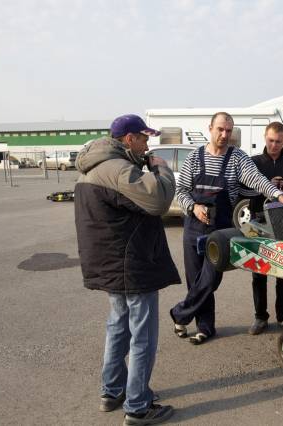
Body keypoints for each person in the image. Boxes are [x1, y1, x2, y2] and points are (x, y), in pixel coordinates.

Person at [74, 114, 181, 425]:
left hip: (112, 264)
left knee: (118, 327)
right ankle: (138, 406)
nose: (147, 145)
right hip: (131, 265)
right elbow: (159, 200)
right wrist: (161, 168)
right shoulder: (118, 169)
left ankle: (112, 391)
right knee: (142, 335)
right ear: (129, 138)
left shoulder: (94, 167)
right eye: (144, 138)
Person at [171, 112, 283, 345]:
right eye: (220, 129)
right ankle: (205, 327)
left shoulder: (237, 157)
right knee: (195, 280)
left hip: (220, 230)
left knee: (211, 279)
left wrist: (280, 196)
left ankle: (180, 314)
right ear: (210, 128)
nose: (224, 134)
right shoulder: (194, 157)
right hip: (194, 226)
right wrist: (193, 207)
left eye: (228, 130)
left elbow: (257, 180)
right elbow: (180, 191)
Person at [240, 122, 283, 335]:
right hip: (257, 221)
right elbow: (242, 191)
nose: (274, 145)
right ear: (265, 137)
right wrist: (266, 187)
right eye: (270, 140)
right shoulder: (253, 162)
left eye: (278, 141)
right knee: (258, 272)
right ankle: (260, 317)